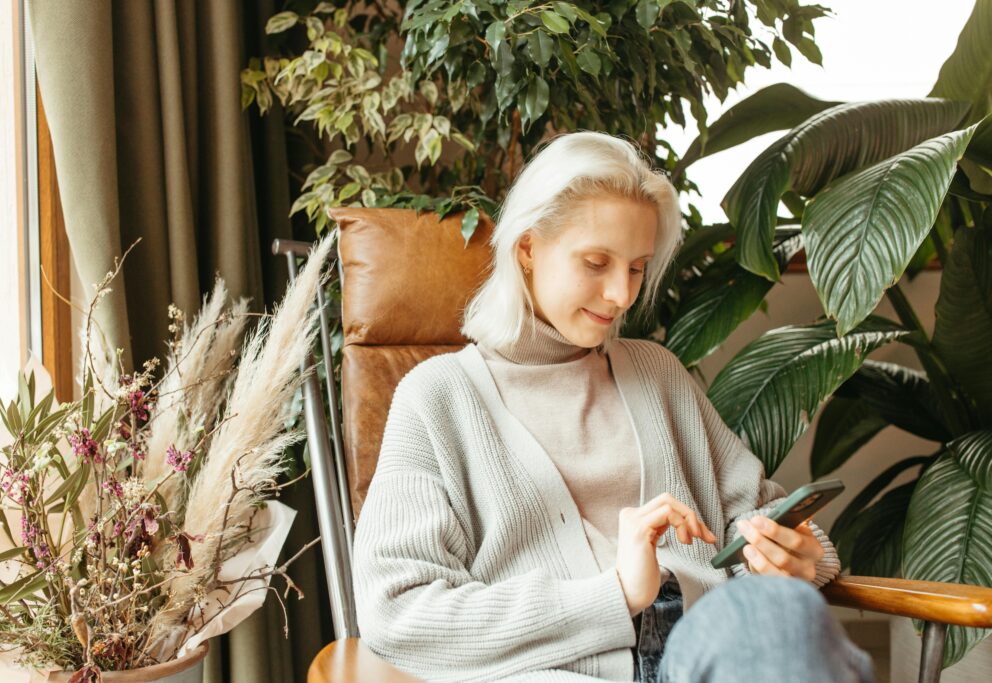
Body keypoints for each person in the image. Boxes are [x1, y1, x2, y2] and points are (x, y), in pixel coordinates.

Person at [351, 131, 874, 682]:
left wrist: (792, 552)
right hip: (557, 670)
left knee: (783, 614)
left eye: (637, 267)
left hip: (706, 649)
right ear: (527, 248)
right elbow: (398, 613)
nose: (622, 295)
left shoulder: (656, 372)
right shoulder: (438, 399)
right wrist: (614, 595)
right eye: (596, 263)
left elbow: (753, 510)